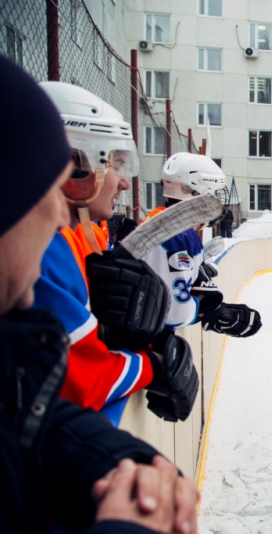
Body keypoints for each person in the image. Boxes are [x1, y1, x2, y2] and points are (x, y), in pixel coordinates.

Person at [0, 54, 197, 534]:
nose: (59, 215)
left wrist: (104, 456)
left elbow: (26, 414)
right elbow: (80, 379)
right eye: (110, 162)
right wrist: (150, 361)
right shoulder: (52, 249)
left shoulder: (82, 239)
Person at [32, 81, 198, 424]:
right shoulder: (43, 244)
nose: (124, 182)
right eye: (117, 165)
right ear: (75, 163)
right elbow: (83, 383)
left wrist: (115, 333)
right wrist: (150, 365)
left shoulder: (81, 230)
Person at [142, 152, 262, 337]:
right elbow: (175, 314)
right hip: (149, 343)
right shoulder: (179, 234)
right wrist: (208, 313)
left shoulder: (155, 219)